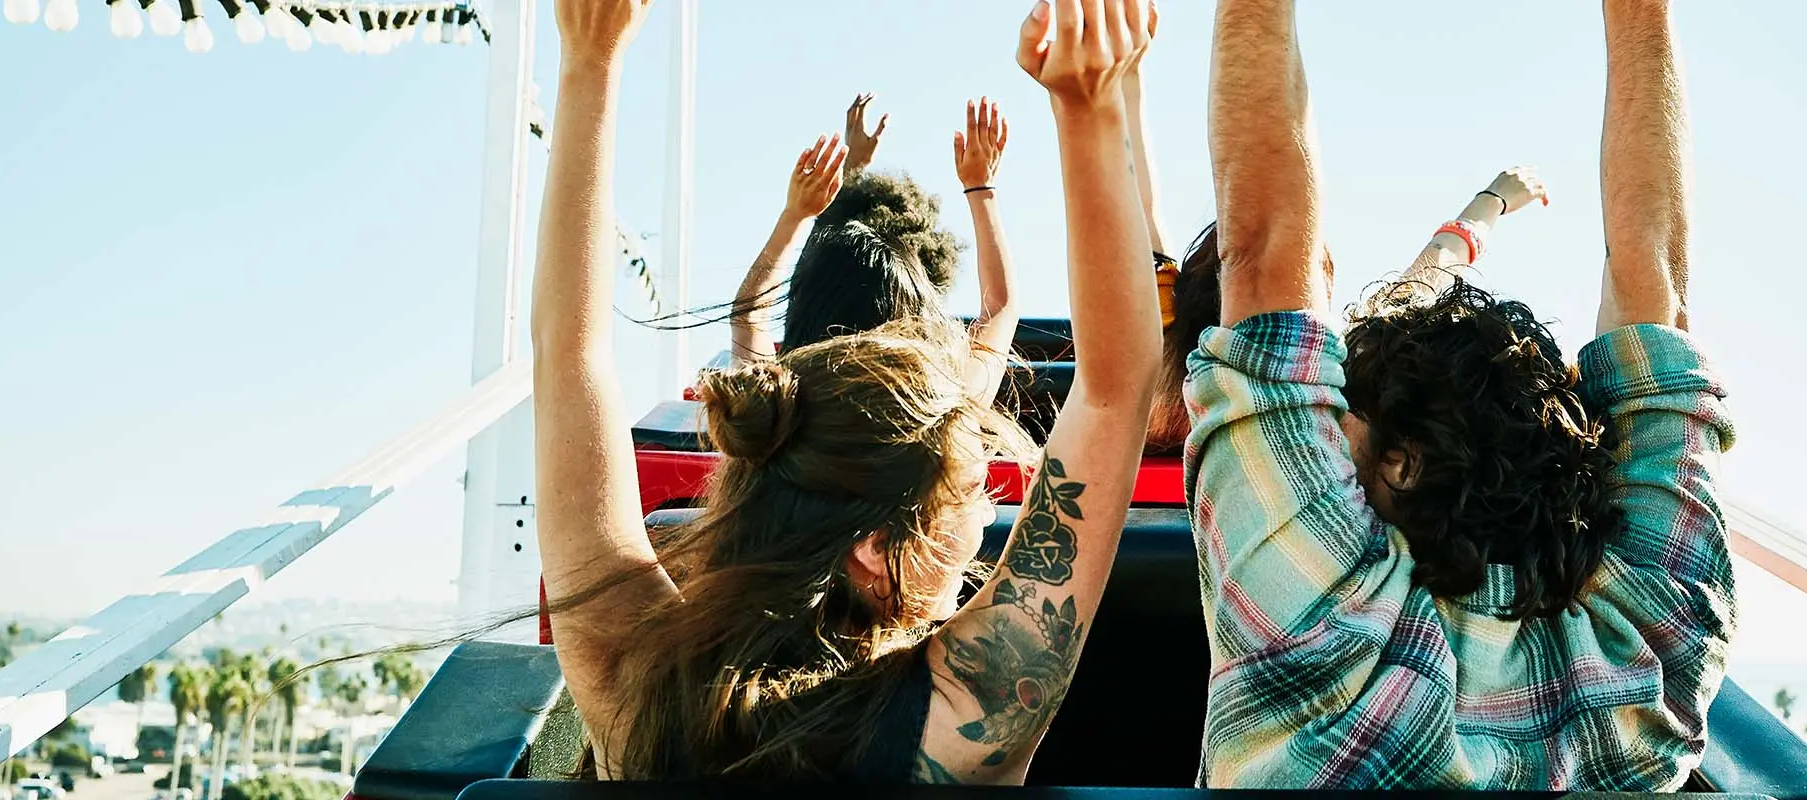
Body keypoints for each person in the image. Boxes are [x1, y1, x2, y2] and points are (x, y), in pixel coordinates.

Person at [529, 0, 1160, 783]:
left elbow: (569, 359)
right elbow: (1114, 391)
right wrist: (1090, 108)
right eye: (967, 493)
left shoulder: (634, 679)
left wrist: (591, 59)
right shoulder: (961, 721)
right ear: (875, 551)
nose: (989, 512)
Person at [1188, 0, 1733, 789]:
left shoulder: (1312, 625)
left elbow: (1264, 250)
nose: (1327, 421)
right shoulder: (1649, 664)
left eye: (1348, 412)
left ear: (1405, 465)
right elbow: (1657, 288)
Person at [1147, 167, 1547, 455]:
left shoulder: (1147, 366)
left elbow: (1143, 221)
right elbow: (1428, 278)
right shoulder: (1338, 377)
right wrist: (1491, 201)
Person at [728, 100, 1017, 404]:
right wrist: (980, 186)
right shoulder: (947, 410)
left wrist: (795, 215)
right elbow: (1000, 307)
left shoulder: (772, 413)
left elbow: (750, 315)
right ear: (916, 323)